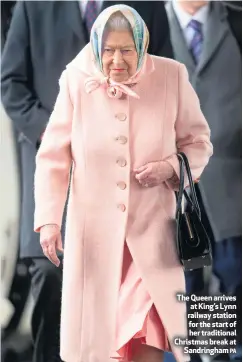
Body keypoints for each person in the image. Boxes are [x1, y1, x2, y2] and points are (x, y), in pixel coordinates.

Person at [33, 4, 213, 362]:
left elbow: (199, 143)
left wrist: (170, 168)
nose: (117, 60)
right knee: (103, 346)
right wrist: (50, 221)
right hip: (96, 243)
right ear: (97, 46)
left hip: (153, 238)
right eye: (109, 50)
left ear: (142, 45)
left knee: (146, 330)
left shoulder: (171, 76)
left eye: (127, 50)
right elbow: (53, 155)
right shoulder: (76, 79)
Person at [1, 1, 173, 361]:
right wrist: (57, 135)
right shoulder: (33, 7)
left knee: (126, 299)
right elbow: (11, 84)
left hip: (128, 183)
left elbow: (165, 84)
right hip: (55, 176)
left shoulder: (147, 7)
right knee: (52, 278)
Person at [166, 1, 242, 361]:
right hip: (171, 181)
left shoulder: (236, 22)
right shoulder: (145, 24)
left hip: (232, 176)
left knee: (231, 274)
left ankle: (220, 351)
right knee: (184, 280)